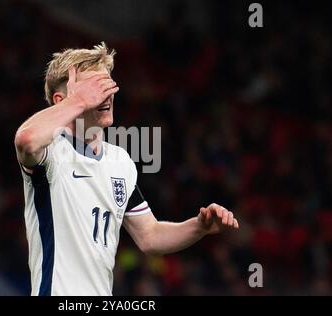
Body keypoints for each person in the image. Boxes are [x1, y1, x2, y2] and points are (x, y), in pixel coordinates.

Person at [14, 43, 239, 296]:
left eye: (108, 86)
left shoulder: (120, 161)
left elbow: (150, 237)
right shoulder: (52, 152)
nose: (106, 95)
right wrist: (76, 102)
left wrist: (199, 227)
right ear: (61, 99)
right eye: (94, 88)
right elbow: (26, 139)